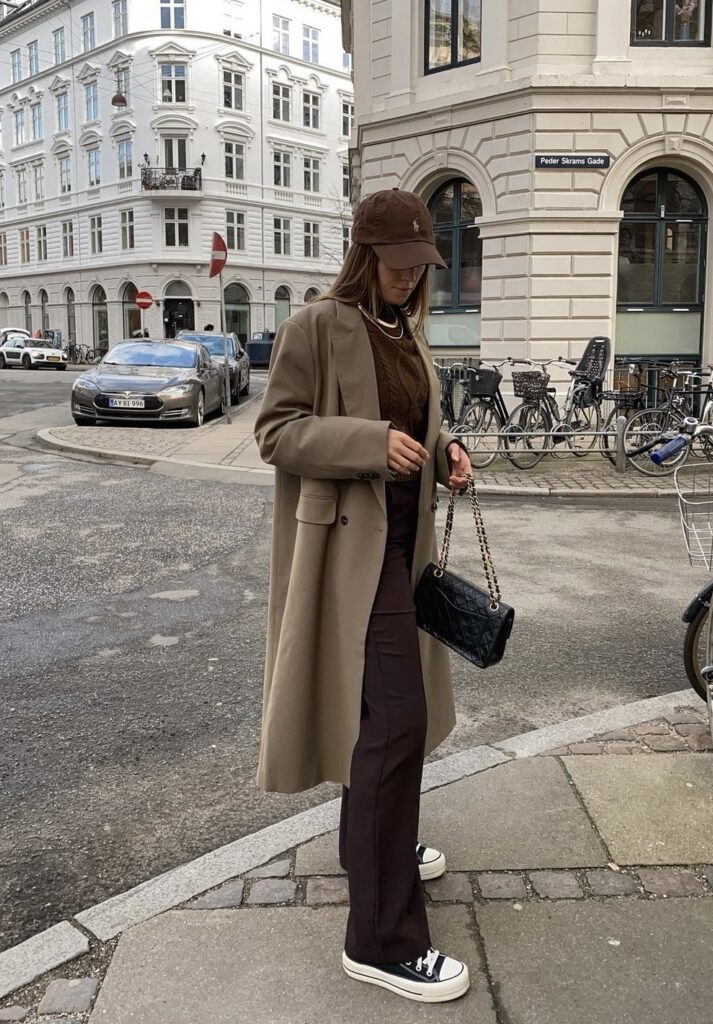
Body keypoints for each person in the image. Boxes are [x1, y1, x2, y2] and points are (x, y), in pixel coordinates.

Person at [254, 188, 473, 1003]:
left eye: (420, 267)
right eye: (397, 265)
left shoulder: (408, 335)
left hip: (405, 550)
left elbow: (418, 419)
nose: (410, 280)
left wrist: (447, 449)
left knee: (381, 719)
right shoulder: (315, 326)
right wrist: (368, 445)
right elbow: (275, 432)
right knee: (395, 720)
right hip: (351, 550)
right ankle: (380, 939)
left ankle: (379, 839)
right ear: (365, 256)